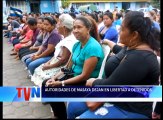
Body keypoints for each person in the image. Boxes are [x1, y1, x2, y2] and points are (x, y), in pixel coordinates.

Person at [67, 11, 160, 119]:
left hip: (129, 108)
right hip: (114, 97)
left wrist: (92, 82)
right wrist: (107, 42)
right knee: (73, 107)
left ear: (134, 35)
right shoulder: (131, 46)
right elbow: (120, 50)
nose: (119, 31)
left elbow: (110, 86)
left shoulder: (140, 58)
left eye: (122, 29)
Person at [42, 16, 104, 119]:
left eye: (79, 27)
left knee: (54, 88)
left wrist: (60, 83)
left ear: (88, 29)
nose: (75, 30)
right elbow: (67, 66)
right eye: (74, 27)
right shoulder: (77, 44)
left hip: (85, 83)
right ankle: (59, 115)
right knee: (47, 83)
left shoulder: (93, 47)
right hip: (73, 76)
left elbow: (84, 76)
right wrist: (54, 77)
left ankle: (62, 115)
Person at [31, 14, 78, 87]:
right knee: (38, 69)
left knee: (40, 73)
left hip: (60, 66)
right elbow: (56, 55)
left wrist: (49, 66)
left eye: (58, 24)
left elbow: (63, 60)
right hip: (54, 61)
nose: (57, 26)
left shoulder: (69, 41)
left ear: (64, 28)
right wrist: (48, 62)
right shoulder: (65, 38)